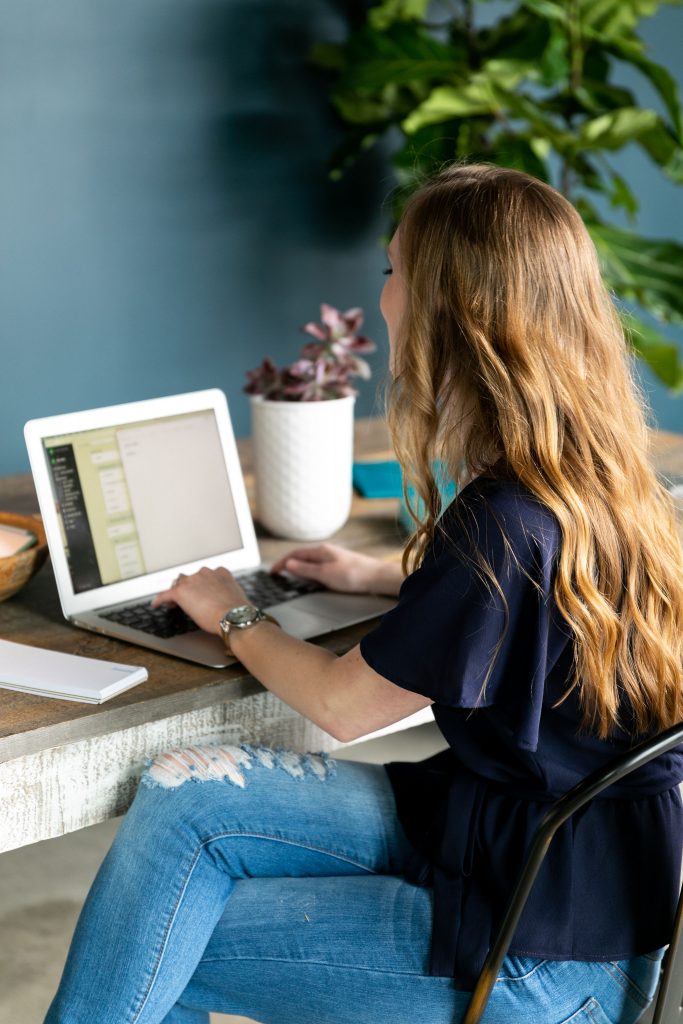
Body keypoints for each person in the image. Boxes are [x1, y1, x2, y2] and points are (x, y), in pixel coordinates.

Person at [44, 164, 683, 1024]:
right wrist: (385, 580)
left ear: (451, 311)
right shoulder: (604, 478)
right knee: (185, 798)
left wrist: (231, 611)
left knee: (155, 933)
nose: (381, 296)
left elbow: (343, 708)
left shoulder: (502, 520)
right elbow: (543, 605)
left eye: (393, 272)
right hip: (581, 886)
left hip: (538, 953)